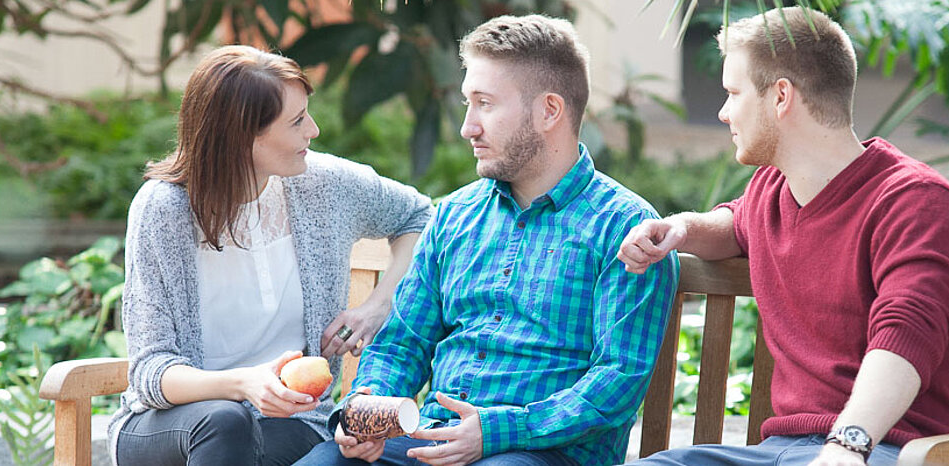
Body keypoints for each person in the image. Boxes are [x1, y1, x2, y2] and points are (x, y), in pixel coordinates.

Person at [294, 15, 678, 466]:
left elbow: (615, 384)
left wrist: (496, 431)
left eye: (485, 104)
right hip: (431, 441)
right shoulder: (455, 216)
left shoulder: (625, 230)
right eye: (467, 104)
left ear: (549, 110)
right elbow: (402, 344)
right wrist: (366, 413)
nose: (467, 127)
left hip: (542, 454)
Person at [618, 7, 949, 466]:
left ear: (781, 96)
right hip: (785, 452)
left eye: (733, 92)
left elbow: (905, 335)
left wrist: (848, 445)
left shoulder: (915, 201)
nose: (724, 112)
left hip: (895, 451)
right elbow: (736, 224)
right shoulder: (771, 191)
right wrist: (681, 229)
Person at [109, 45, 433, 466]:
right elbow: (152, 372)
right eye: (297, 121)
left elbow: (422, 217)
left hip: (288, 423)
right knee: (226, 423)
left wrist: (378, 304)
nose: (313, 130)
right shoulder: (164, 209)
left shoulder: (324, 185)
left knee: (278, 443)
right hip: (170, 425)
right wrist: (244, 385)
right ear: (243, 135)